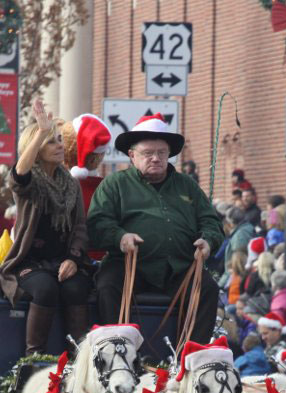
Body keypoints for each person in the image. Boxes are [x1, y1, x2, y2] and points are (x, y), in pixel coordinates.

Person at [88, 113, 223, 343]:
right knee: (107, 286)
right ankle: (114, 352)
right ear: (132, 155)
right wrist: (121, 237)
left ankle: (189, 356)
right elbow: (97, 223)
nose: (156, 158)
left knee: (208, 289)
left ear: (169, 154)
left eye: (161, 153)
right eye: (148, 153)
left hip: (179, 267)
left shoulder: (186, 185)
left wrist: (208, 240)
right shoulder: (115, 184)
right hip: (129, 265)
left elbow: (211, 221)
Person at [0, 100, 91, 353]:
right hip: (29, 262)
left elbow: (80, 227)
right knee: (46, 289)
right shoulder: (31, 183)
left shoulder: (70, 184)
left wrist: (73, 259)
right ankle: (34, 358)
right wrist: (40, 132)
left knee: (77, 288)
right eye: (53, 141)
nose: (60, 145)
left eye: (60, 139)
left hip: (62, 260)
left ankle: (78, 358)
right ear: (37, 148)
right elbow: (19, 174)